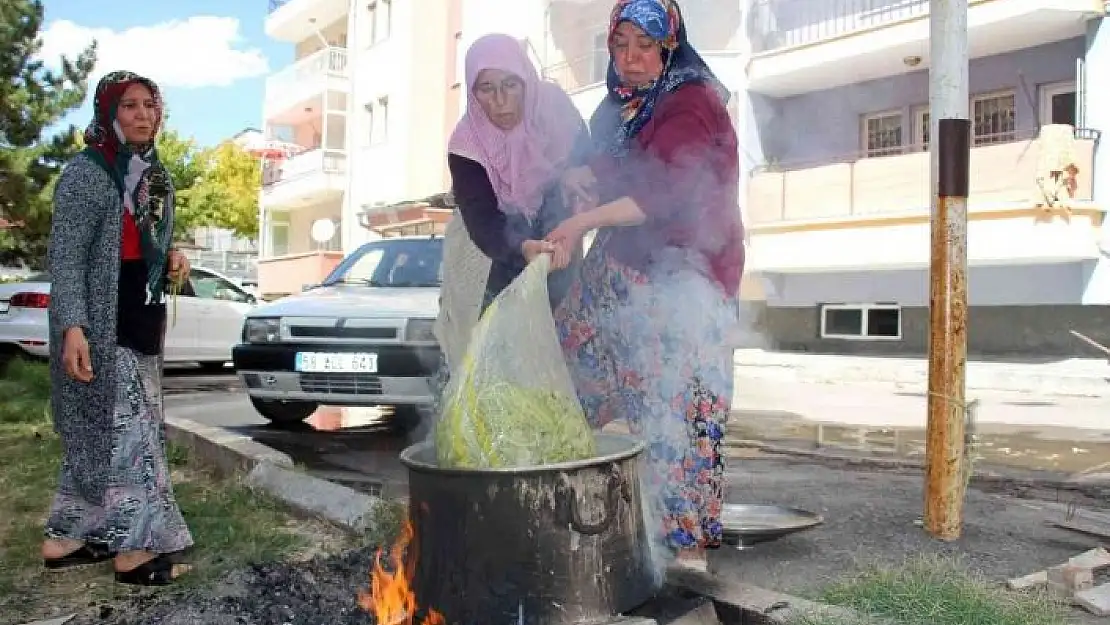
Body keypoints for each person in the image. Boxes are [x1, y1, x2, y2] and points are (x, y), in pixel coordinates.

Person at [545, 0, 745, 571]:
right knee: (572, 368)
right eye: (620, 43)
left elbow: (668, 193)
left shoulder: (693, 101)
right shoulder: (618, 109)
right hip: (624, 266)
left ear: (669, 45)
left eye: (644, 44)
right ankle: (584, 506)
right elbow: (604, 172)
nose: (630, 57)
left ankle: (683, 545)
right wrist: (580, 184)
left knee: (677, 404)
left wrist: (584, 220)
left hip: (689, 274)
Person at [41, 70, 194, 586]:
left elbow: (141, 244)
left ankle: (65, 538)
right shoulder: (88, 173)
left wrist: (170, 256)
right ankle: (133, 551)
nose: (143, 114)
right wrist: (72, 328)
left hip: (139, 313)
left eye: (151, 104)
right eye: (130, 105)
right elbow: (65, 259)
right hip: (104, 323)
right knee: (134, 437)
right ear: (108, 112)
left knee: (103, 433)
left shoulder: (151, 174)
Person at [431, 33, 591, 411]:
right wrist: (521, 248)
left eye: (510, 85)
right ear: (473, 91)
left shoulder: (552, 106)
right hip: (486, 247)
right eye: (486, 89)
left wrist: (573, 181)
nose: (500, 101)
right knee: (490, 349)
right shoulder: (466, 143)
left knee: (557, 345)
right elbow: (482, 218)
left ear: (527, 81)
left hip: (556, 228)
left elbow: (585, 158)